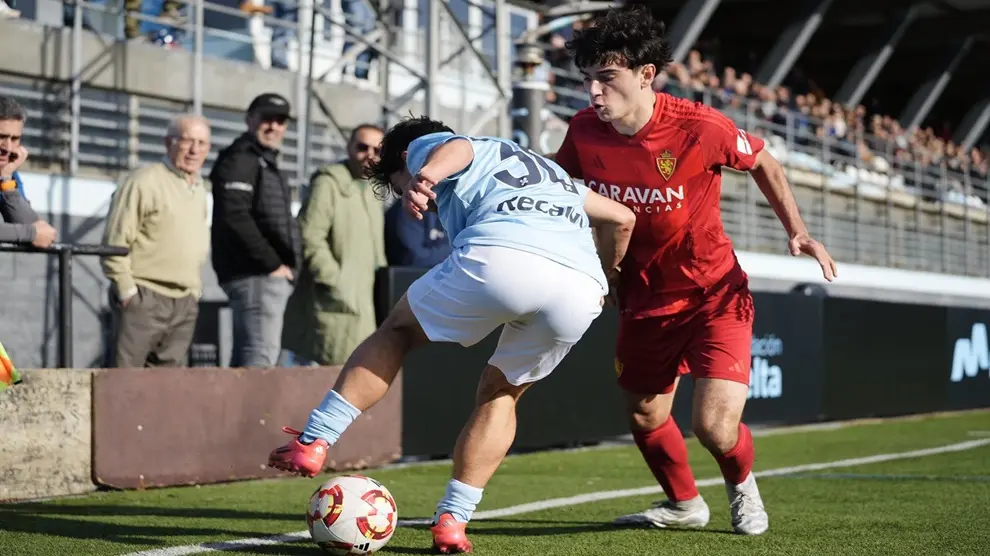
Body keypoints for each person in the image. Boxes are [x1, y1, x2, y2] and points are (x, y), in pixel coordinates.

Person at [268, 116, 636, 554]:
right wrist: (609, 276)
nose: (407, 190)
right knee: (503, 393)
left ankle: (313, 439)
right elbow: (622, 217)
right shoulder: (548, 172)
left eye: (398, 181)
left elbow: (457, 147)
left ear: (406, 158)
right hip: (579, 289)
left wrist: (425, 176)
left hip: (503, 257)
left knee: (399, 329)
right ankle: (452, 522)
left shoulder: (430, 148)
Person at [551, 6, 838, 536]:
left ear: (645, 75)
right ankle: (685, 504)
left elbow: (765, 162)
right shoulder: (584, 131)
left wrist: (796, 230)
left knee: (714, 426)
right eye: (588, 79)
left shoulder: (700, 126)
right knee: (643, 415)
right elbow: (555, 184)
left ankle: (742, 489)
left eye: (606, 79)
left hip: (714, 295)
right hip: (642, 298)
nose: (593, 92)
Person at [101, 114, 212, 368]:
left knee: (165, 389)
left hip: (184, 302)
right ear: (168, 143)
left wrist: (194, 292)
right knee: (124, 382)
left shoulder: (199, 190)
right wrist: (127, 291)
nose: (195, 150)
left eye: (202, 143)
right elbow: (114, 241)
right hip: (143, 297)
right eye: (187, 141)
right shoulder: (144, 181)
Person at [280, 124, 387, 366]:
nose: (369, 154)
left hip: (365, 305)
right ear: (349, 148)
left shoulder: (372, 190)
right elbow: (309, 235)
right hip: (332, 303)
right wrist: (333, 280)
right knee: (327, 380)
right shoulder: (327, 183)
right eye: (362, 147)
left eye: (377, 150)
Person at [210, 93, 301, 368]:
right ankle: (254, 414)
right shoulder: (241, 158)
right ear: (250, 120)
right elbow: (235, 215)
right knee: (260, 361)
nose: (273, 126)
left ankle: (244, 413)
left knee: (250, 360)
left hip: (260, 276)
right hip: (257, 276)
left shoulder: (262, 159)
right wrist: (273, 264)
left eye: (280, 121)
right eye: (266, 119)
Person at [0, 96, 58, 248]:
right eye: (1, 137)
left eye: (15, 139)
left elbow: (38, 231)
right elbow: (33, 232)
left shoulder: (8, 172)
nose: (7, 147)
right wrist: (29, 233)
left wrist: (6, 179)